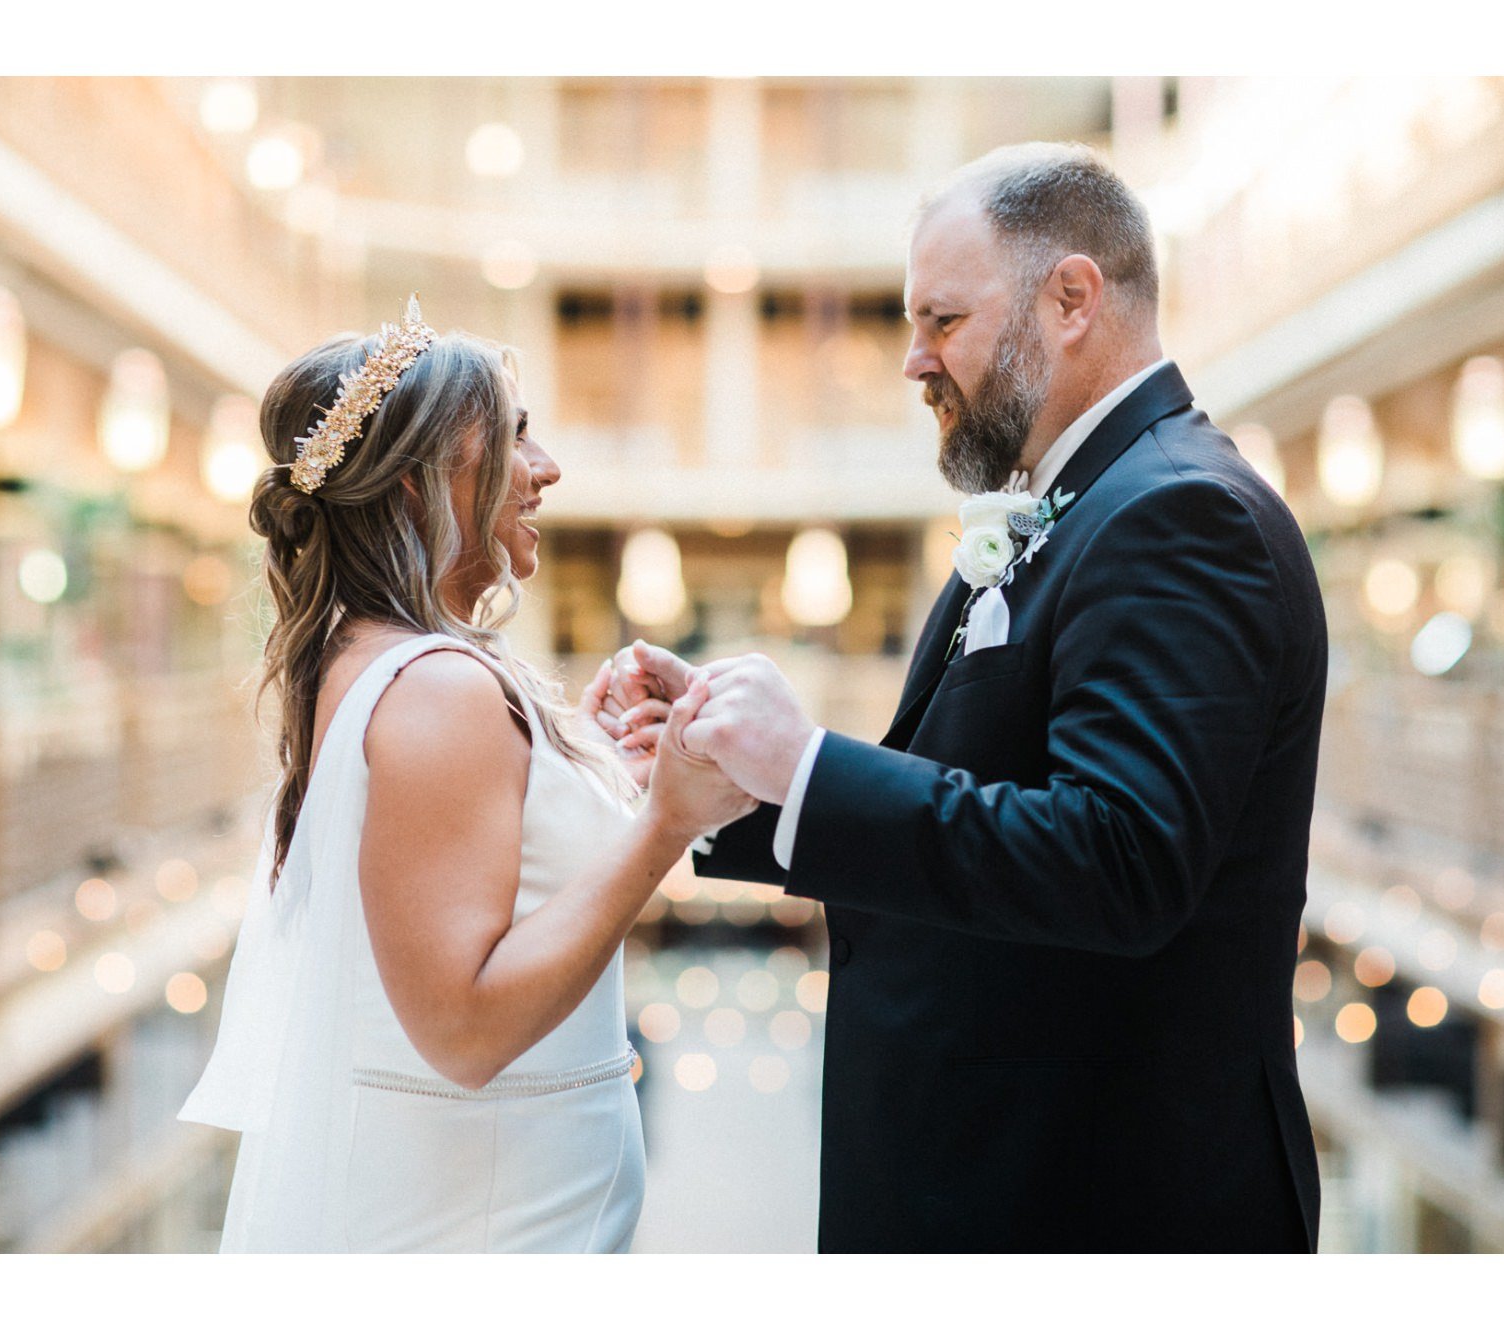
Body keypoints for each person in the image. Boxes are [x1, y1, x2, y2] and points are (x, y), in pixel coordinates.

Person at [599, 143, 1328, 1253]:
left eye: (941, 321)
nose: (912, 362)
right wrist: (736, 772)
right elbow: (983, 786)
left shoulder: (1179, 514)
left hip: (1090, 1202)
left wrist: (806, 766)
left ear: (1072, 298)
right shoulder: (1076, 498)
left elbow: (1120, 856)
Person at [179, 299, 754, 1252]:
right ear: (419, 484)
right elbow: (463, 1029)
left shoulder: (382, 659)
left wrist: (593, 759)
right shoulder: (438, 690)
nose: (547, 470)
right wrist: (662, 826)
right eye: (518, 437)